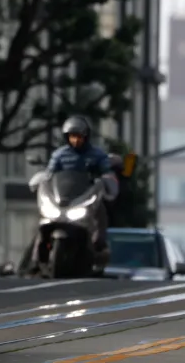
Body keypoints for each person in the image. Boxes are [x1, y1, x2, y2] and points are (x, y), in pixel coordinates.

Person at [24, 115, 118, 274]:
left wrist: (105, 179)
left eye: (79, 137)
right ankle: (35, 258)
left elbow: (106, 171)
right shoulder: (59, 155)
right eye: (72, 136)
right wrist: (41, 181)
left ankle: (99, 245)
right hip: (62, 199)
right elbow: (49, 174)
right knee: (43, 222)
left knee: (101, 212)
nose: (75, 140)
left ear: (86, 137)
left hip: (86, 198)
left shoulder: (97, 155)